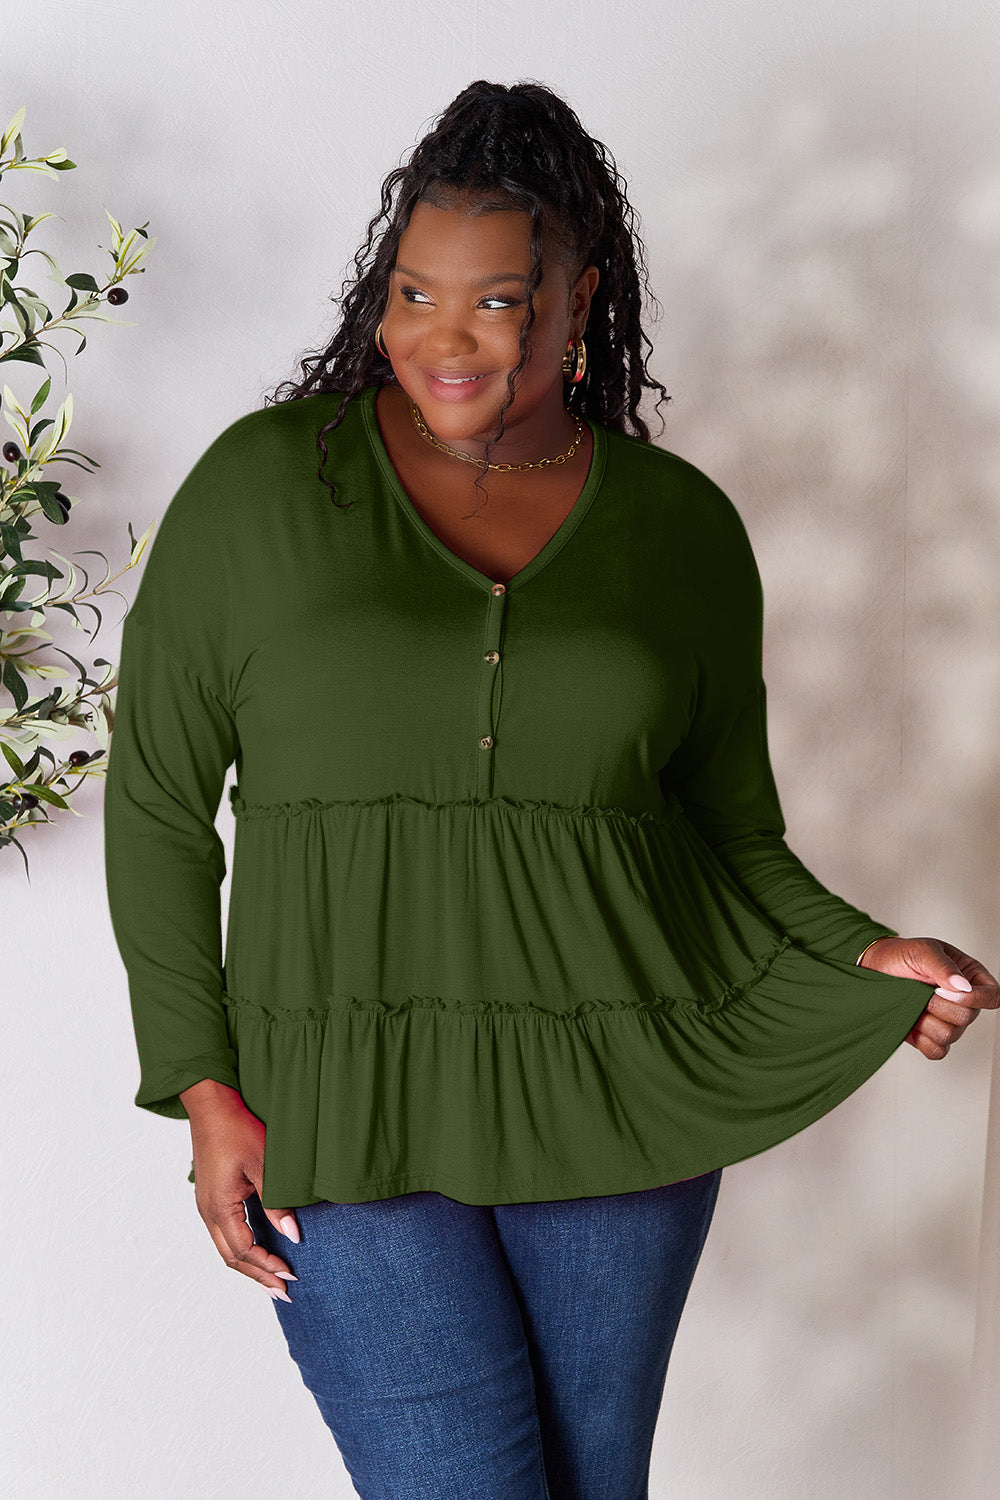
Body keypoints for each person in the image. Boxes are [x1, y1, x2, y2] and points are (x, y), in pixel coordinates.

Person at [103, 78, 998, 1500]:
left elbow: (724, 828)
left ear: (581, 305)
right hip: (349, 1096)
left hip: (615, 1091)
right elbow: (156, 805)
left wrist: (858, 951)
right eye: (412, 291)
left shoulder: (679, 530)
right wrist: (205, 1085)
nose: (441, 340)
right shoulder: (266, 492)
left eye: (499, 301)